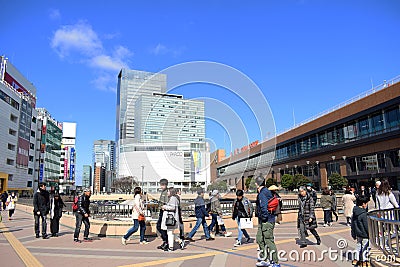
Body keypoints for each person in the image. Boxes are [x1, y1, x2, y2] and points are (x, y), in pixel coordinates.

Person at [255, 176, 280, 267]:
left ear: (257, 184)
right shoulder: (266, 191)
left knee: (269, 240)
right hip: (263, 220)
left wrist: (264, 218)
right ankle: (264, 258)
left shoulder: (263, 193)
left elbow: (264, 207)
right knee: (259, 239)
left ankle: (275, 262)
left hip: (267, 220)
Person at [351, 195, 370, 267]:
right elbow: (366, 225)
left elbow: (352, 224)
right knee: (365, 247)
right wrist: (370, 233)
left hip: (358, 233)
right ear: (363, 204)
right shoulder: (363, 214)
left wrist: (353, 233)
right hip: (365, 234)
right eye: (366, 204)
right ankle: (364, 261)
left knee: (358, 246)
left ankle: (356, 259)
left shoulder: (354, 212)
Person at [156, 179, 169, 250]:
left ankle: (166, 241)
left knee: (161, 227)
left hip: (164, 212)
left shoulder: (166, 192)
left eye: (162, 185)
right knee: (160, 227)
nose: (161, 186)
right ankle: (165, 241)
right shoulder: (163, 192)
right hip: (161, 211)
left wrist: (162, 207)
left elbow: (166, 203)